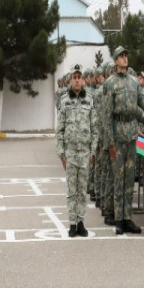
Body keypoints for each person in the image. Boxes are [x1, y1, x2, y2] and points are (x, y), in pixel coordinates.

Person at [102, 46, 144, 236]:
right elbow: (106, 116)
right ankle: (118, 218)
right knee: (118, 178)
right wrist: (110, 142)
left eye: (126, 55)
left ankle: (128, 218)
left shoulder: (134, 83)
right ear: (115, 60)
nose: (125, 58)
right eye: (121, 56)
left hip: (131, 135)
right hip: (117, 137)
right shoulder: (109, 84)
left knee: (129, 178)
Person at [57, 65, 97, 237]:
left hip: (85, 153)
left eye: (79, 77)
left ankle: (81, 222)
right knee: (71, 190)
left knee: (82, 190)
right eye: (74, 77)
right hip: (71, 153)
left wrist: (93, 152)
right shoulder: (64, 100)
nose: (77, 80)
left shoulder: (90, 99)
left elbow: (94, 128)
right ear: (70, 80)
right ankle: (72, 223)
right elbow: (60, 130)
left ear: (83, 80)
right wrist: (61, 153)